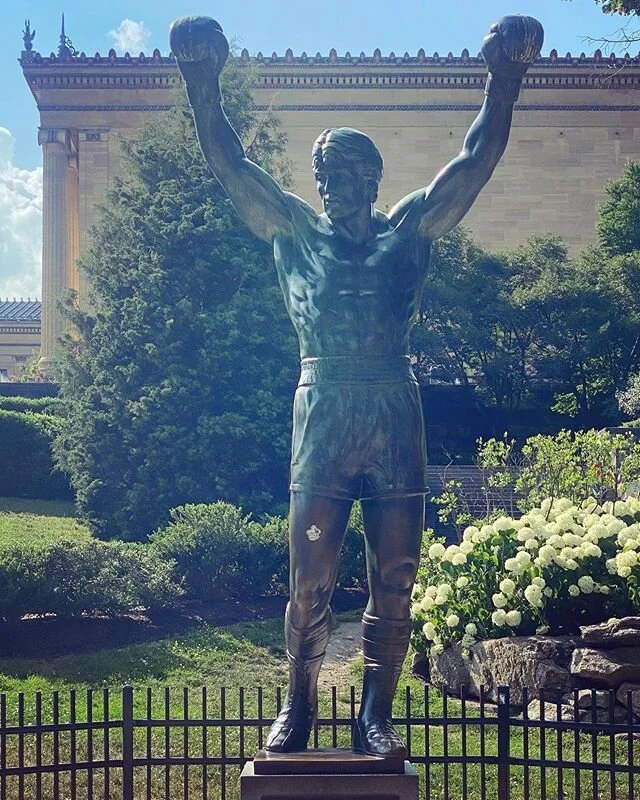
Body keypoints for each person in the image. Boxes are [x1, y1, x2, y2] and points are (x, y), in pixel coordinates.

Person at [169, 13, 543, 757]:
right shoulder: (293, 235)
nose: (332, 188)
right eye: (325, 178)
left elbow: (474, 162)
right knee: (309, 582)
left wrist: (504, 81)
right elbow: (231, 165)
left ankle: (376, 717)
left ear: (372, 181)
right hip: (325, 407)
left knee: (396, 577)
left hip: (394, 411)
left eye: (345, 177)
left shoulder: (409, 232)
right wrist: (201, 82)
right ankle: (299, 707)